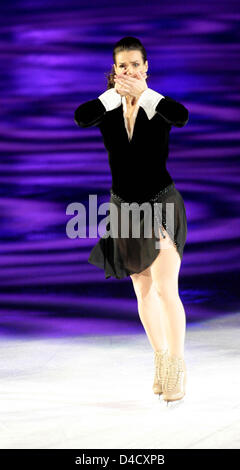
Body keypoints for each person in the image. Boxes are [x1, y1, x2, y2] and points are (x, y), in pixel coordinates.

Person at [74, 37, 189, 404]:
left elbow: (182, 116)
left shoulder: (158, 106)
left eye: (135, 65)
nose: (129, 71)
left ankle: (177, 364)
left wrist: (145, 93)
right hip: (124, 208)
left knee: (164, 288)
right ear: (113, 71)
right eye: (122, 66)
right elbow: (81, 116)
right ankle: (159, 358)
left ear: (146, 67)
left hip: (160, 205)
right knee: (141, 289)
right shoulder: (106, 108)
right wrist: (115, 95)